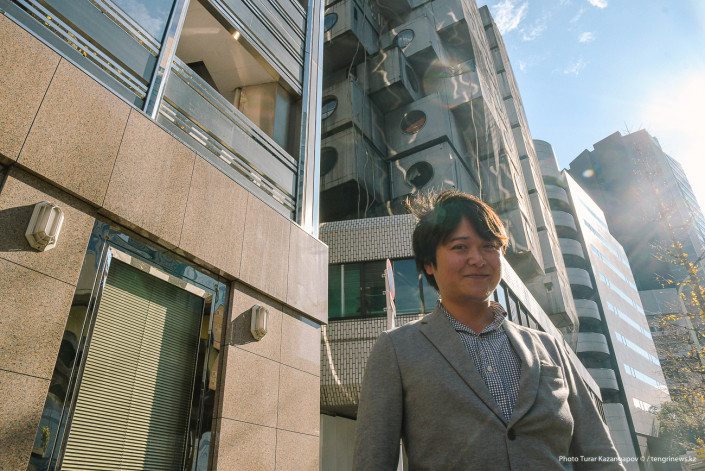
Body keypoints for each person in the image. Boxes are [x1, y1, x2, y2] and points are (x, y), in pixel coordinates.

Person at [353, 190, 625, 470]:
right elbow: (372, 462)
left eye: (489, 246)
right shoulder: (397, 349)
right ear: (429, 264)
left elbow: (599, 452)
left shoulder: (549, 346)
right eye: (460, 247)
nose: (478, 259)